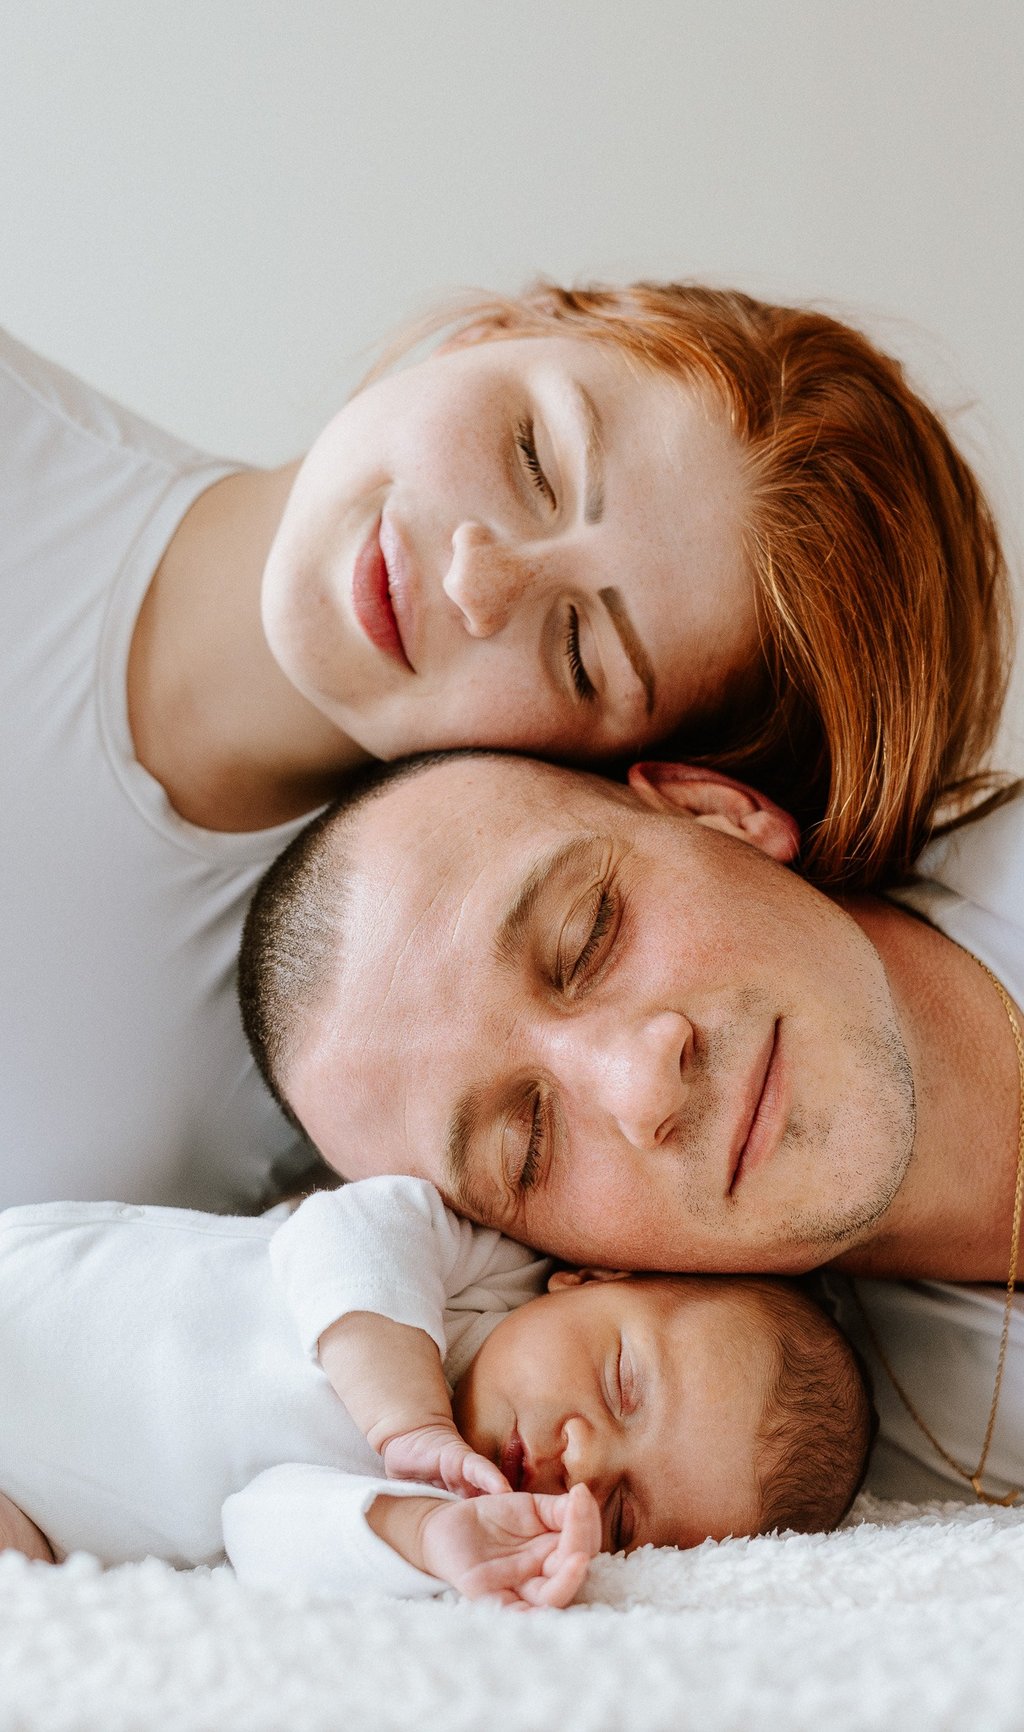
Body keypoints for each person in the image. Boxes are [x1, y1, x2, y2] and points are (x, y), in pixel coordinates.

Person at [0, 277, 1013, 1210]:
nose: (476, 577)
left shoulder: (369, 1096)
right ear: (515, 323)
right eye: (534, 455)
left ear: (642, 787)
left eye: (579, 653)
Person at [238, 747, 1024, 1498]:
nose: (643, 1087)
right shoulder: (813, 1453)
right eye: (530, 1148)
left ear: (716, 811)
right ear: (566, 1263)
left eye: (590, 939)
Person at [0, 1176, 872, 1600]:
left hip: (33, 1509)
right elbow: (339, 1229)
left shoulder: (445, 1502)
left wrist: (426, 1536)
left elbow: (259, 1525)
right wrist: (406, 1415)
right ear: (590, 1277)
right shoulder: (487, 1274)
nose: (584, 1463)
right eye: (621, 1385)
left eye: (620, 1516)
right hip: (36, 1306)